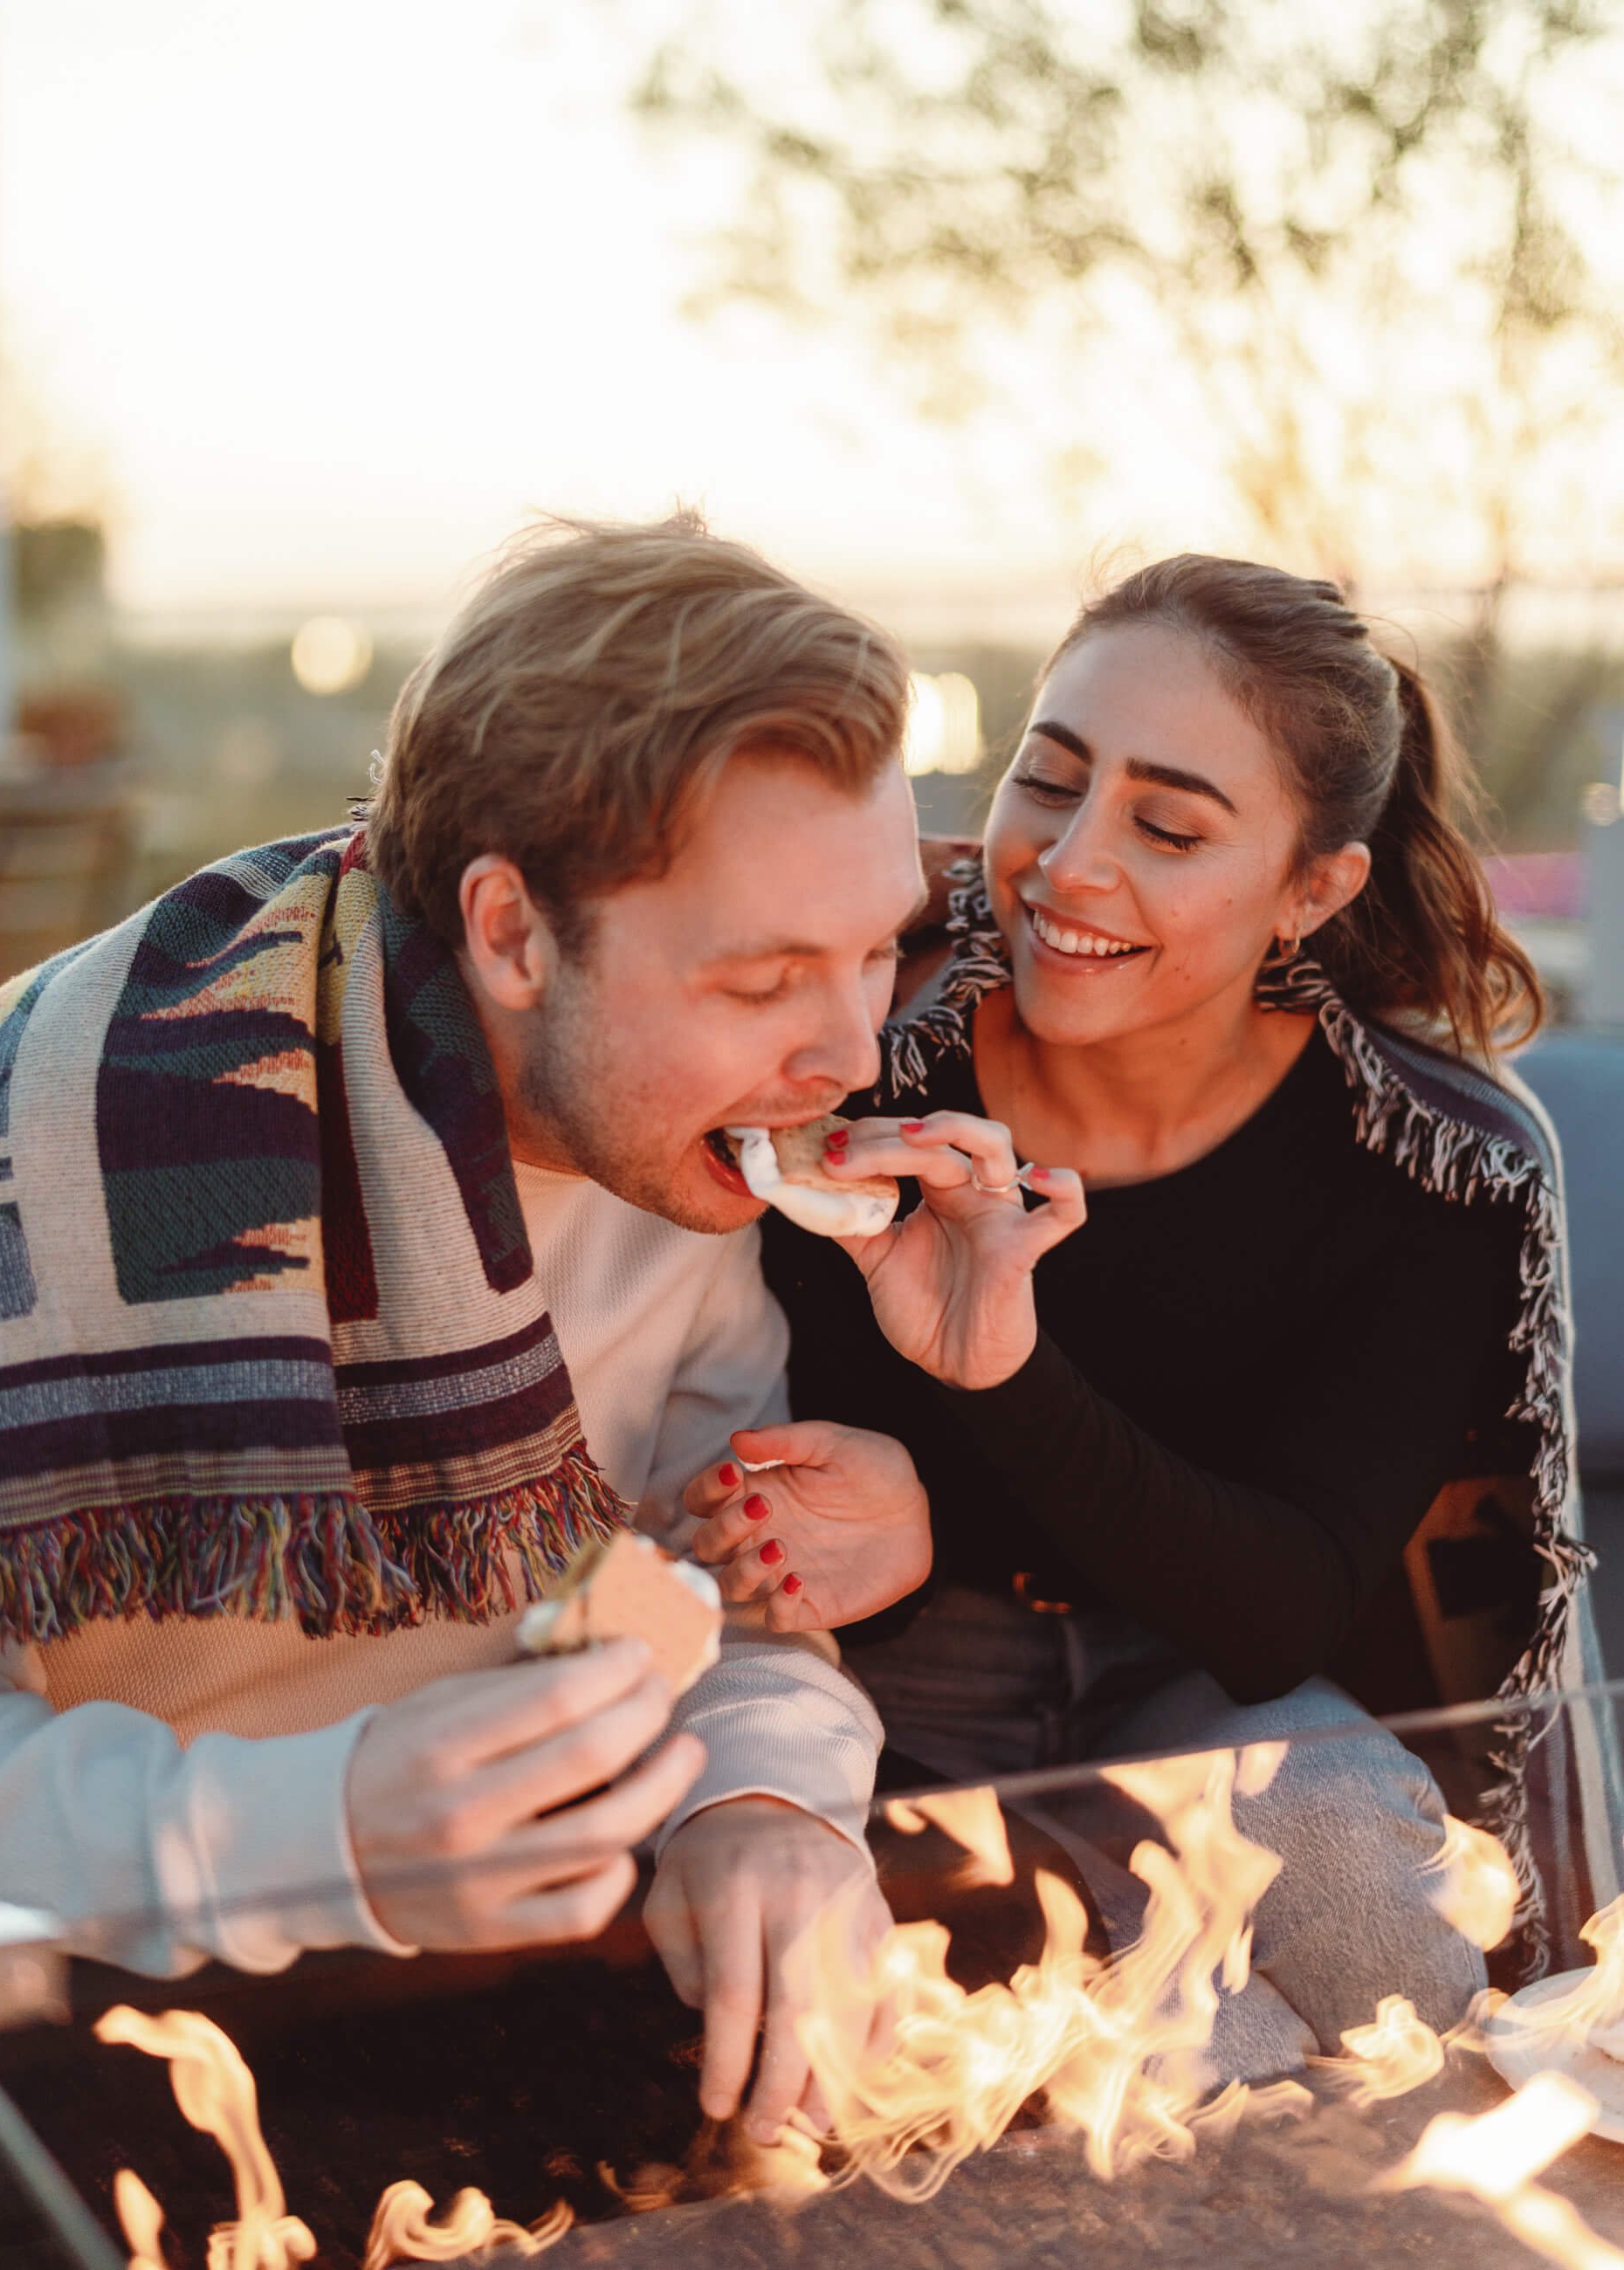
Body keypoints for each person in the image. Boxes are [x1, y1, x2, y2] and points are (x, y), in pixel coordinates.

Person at [0, 512, 932, 2143]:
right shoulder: (24, 1170)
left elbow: (722, 1597)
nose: (849, 1052)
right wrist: (311, 1830)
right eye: (765, 982)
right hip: (58, 2083)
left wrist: (765, 1787)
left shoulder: (679, 1165)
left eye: (879, 951)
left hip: (490, 2045)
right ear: (508, 932)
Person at [689, 555, 1607, 2073]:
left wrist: (993, 1387)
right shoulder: (858, 1067)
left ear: (1313, 889)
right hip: (883, 1687)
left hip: (1200, 1682)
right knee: (1206, 2045)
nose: (1068, 865)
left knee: (1324, 1836)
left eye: (1168, 827)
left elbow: (1282, 1611)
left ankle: (1494, 2183)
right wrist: (875, 1533)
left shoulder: (1426, 1167)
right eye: (1047, 783)